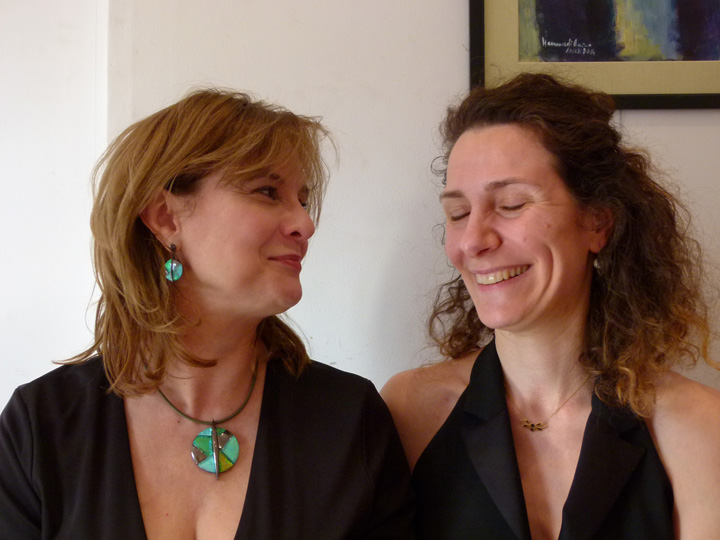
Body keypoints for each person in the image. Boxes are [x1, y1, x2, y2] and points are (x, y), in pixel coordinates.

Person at [0, 89, 413, 539]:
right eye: (267, 191)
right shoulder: (42, 426)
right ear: (166, 218)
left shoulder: (349, 420)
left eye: (302, 199)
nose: (305, 224)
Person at [382, 73, 720, 539]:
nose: (473, 240)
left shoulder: (697, 426)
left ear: (596, 223)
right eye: (458, 213)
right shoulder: (410, 410)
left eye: (511, 204)